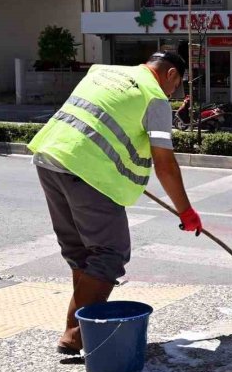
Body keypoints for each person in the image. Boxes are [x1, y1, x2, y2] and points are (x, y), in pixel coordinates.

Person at [27, 52, 203, 355]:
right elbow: (164, 163)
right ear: (171, 74)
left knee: (81, 251)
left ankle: (80, 333)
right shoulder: (154, 97)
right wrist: (186, 211)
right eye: (176, 86)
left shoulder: (103, 72)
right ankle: (75, 333)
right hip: (87, 172)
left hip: (50, 157)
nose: (173, 93)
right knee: (110, 253)